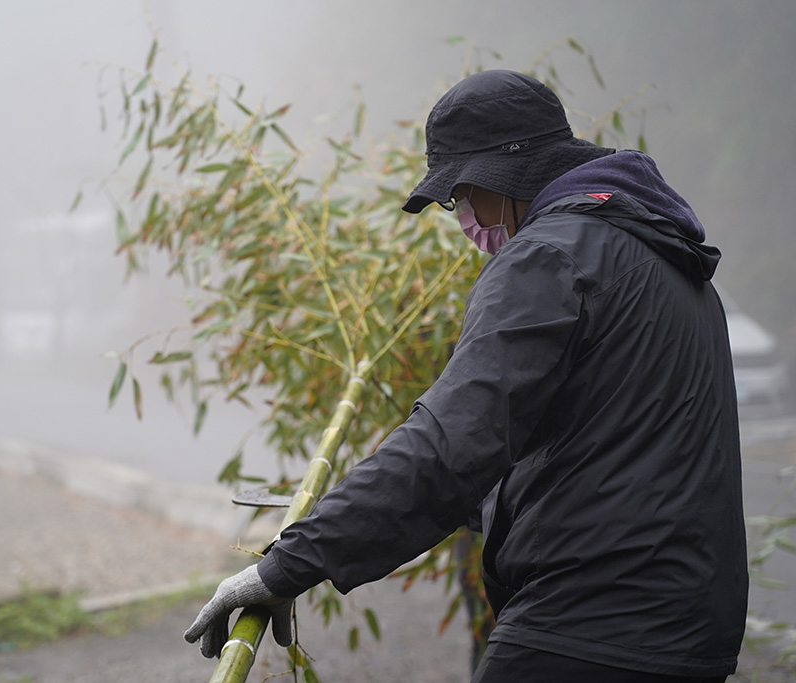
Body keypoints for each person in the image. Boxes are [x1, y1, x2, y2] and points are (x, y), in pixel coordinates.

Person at [184, 69, 748, 682]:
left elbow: (451, 447)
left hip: (588, 626)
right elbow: (604, 454)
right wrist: (357, 520)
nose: (464, 216)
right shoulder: (662, 257)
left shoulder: (550, 257)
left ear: (497, 180)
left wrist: (283, 567)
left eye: (459, 195)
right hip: (688, 626)